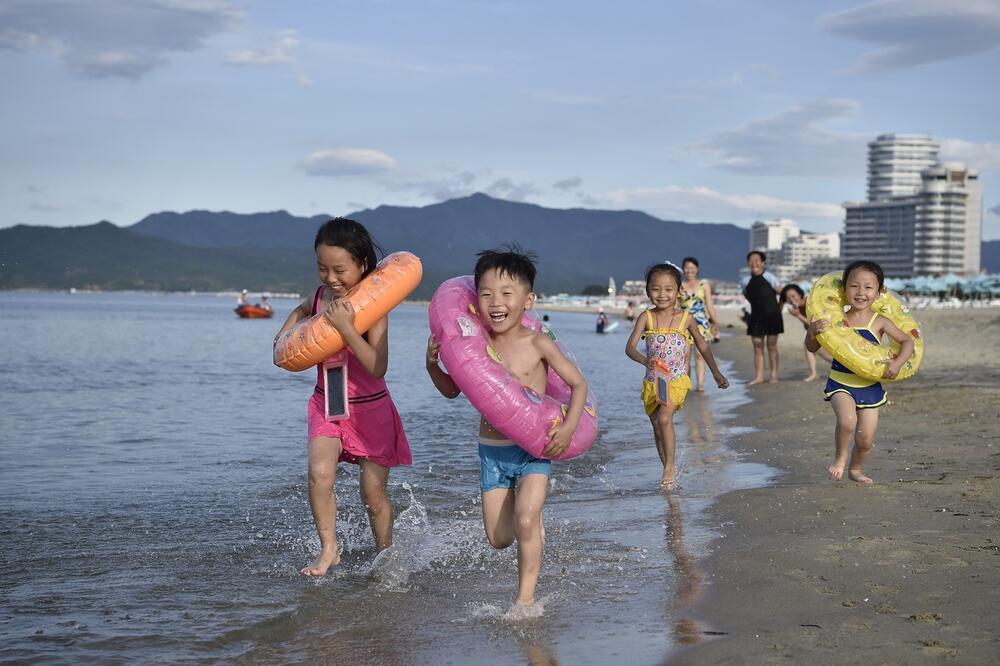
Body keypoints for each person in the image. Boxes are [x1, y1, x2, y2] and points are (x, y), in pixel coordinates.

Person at [425, 246, 588, 609]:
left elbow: (578, 385)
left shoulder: (538, 343)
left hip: (534, 449)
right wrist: (433, 366)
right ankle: (528, 526)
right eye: (485, 294)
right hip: (493, 452)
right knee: (498, 539)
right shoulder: (476, 345)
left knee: (527, 517)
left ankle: (524, 601)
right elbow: (453, 391)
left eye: (506, 293)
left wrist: (568, 427)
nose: (495, 302)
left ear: (527, 300)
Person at [274, 217, 411, 576]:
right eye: (322, 268)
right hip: (327, 404)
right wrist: (284, 336)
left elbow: (377, 365)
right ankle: (329, 549)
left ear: (362, 265)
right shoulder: (320, 297)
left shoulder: (374, 307)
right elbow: (302, 311)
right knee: (319, 474)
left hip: (370, 412)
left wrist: (348, 329)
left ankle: (385, 554)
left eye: (339, 270)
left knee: (374, 497)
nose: (331, 278)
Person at [805, 260, 914, 484]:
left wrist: (898, 363)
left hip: (869, 387)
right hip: (840, 383)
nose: (861, 292)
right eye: (854, 286)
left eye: (868, 287)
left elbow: (908, 342)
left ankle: (855, 469)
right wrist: (812, 333)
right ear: (844, 289)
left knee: (865, 440)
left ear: (879, 292)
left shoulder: (880, 322)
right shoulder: (837, 320)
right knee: (846, 421)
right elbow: (812, 348)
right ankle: (840, 457)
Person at [626, 263, 729, 489]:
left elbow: (702, 345)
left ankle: (669, 466)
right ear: (647, 291)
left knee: (665, 418)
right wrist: (645, 360)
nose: (662, 295)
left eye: (668, 289)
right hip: (653, 382)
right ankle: (667, 467)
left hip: (677, 380)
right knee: (656, 425)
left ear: (679, 291)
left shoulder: (686, 319)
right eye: (656, 289)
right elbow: (630, 348)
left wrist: (716, 372)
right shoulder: (646, 318)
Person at [678, 257, 721, 392]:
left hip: (701, 324)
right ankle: (687, 385)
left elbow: (709, 304)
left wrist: (715, 322)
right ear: (683, 269)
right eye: (687, 267)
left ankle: (700, 385)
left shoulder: (704, 285)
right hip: (684, 323)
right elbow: (676, 306)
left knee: (700, 355)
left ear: (697, 269)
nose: (689, 270)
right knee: (685, 356)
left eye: (692, 268)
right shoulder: (679, 286)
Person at [741, 251, 783, 385]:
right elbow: (746, 295)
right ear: (748, 263)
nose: (754, 263)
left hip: (773, 316)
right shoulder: (745, 280)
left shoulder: (770, 277)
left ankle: (773, 375)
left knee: (772, 346)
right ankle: (759, 376)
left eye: (757, 260)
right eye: (751, 260)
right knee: (757, 347)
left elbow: (782, 293)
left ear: (763, 262)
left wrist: (779, 309)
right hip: (756, 317)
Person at [779, 284, 830, 382]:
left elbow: (814, 324)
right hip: (817, 334)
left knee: (826, 355)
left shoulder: (809, 302)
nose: (792, 300)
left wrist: (798, 315)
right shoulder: (798, 308)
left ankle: (815, 373)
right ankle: (814, 373)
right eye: (788, 298)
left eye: (793, 296)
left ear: (799, 294)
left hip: (826, 331)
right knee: (809, 348)